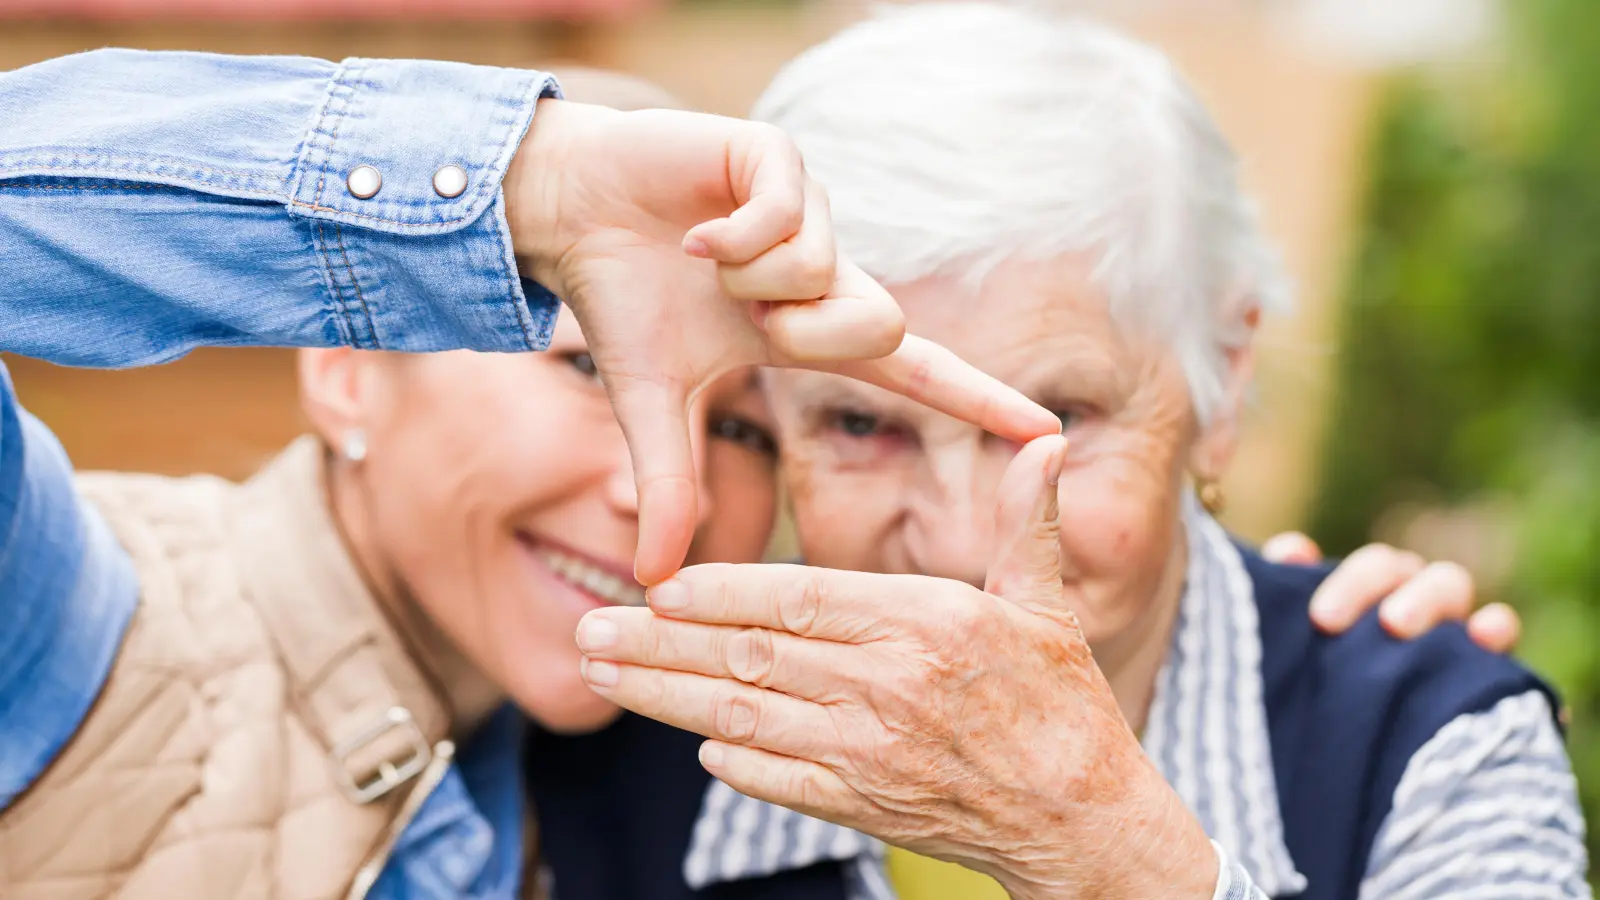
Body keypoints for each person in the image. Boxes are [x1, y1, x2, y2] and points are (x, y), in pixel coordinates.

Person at [572, 7, 1589, 899]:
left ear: (1219, 385)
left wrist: (1106, 858)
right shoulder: (621, 742)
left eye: (1053, 421)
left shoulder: (1425, 743)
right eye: (859, 425)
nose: (965, 543)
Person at [0, 50, 1061, 898]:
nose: (664, 491)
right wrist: (526, 182)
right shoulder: (71, 610)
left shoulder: (676, 805)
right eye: (589, 368)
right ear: (344, 369)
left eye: (744, 434)